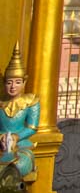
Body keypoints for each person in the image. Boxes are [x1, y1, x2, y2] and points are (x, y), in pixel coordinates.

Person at [0, 47, 38, 180]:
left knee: (18, 165)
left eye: (17, 82)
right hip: (1, 144)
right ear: (4, 83)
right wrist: (2, 137)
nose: (13, 87)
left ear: (24, 82)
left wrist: (16, 137)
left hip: (21, 145)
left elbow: (32, 127)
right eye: (9, 82)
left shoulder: (31, 101)